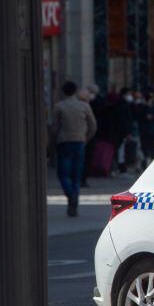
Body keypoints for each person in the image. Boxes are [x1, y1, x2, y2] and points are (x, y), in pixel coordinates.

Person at [50, 80, 97, 217]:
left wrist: (54, 140)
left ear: (63, 91)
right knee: (76, 174)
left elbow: (55, 127)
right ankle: (74, 199)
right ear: (76, 91)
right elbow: (93, 125)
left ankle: (70, 195)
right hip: (80, 142)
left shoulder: (59, 106)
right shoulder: (84, 106)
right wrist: (86, 137)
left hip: (64, 142)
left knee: (63, 173)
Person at [136, 88, 154, 169]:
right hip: (145, 132)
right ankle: (146, 164)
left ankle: (152, 164)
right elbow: (140, 118)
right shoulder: (142, 106)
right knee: (145, 149)